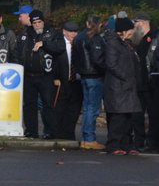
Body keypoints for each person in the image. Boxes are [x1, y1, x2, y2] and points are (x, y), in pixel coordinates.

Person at [103, 17, 143, 155]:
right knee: (118, 117)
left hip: (128, 85)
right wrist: (126, 76)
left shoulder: (126, 43)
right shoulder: (113, 43)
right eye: (131, 29)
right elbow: (111, 64)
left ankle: (127, 143)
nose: (132, 32)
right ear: (124, 31)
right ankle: (114, 144)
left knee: (129, 116)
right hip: (118, 85)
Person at [22, 10, 58, 139]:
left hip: (45, 74)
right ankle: (31, 130)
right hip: (29, 75)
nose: (37, 25)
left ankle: (49, 131)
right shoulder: (25, 34)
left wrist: (45, 44)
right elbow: (18, 51)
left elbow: (59, 48)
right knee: (29, 104)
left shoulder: (52, 33)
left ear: (43, 21)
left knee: (47, 104)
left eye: (39, 22)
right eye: (34, 22)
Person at [50, 21, 86, 141]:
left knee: (74, 109)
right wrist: (55, 77)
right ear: (64, 32)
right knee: (60, 107)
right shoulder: (58, 44)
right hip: (62, 81)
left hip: (77, 81)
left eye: (75, 32)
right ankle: (57, 133)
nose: (73, 34)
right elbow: (53, 62)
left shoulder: (79, 43)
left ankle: (69, 134)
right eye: (70, 32)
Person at [76, 16, 108, 150]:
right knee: (92, 109)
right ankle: (89, 138)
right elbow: (97, 59)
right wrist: (105, 69)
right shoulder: (95, 38)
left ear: (87, 23)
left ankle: (85, 138)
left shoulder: (79, 37)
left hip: (83, 75)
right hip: (95, 75)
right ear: (99, 24)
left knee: (88, 108)